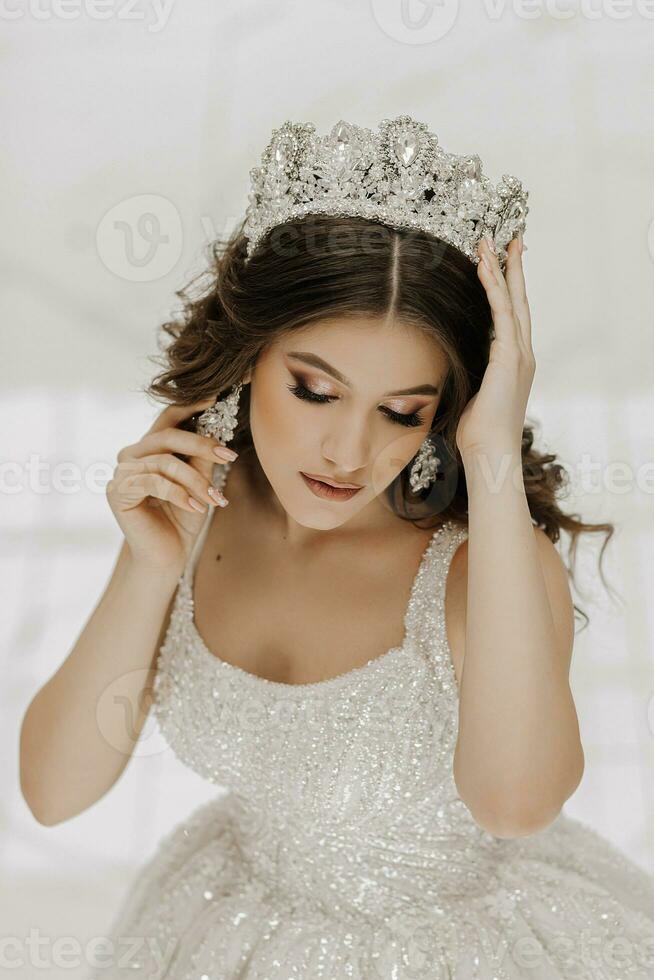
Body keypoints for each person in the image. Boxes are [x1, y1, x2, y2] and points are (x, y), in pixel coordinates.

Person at [20, 117, 654, 978]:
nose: (348, 453)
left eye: (402, 410)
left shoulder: (481, 569)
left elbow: (515, 806)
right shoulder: (200, 501)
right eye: (315, 390)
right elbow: (54, 794)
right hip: (228, 930)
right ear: (250, 358)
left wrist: (494, 455)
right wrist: (149, 566)